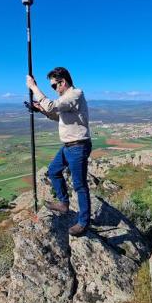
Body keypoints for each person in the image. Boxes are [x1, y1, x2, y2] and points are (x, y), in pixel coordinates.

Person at [25, 67, 92, 236]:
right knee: (53, 171)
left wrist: (34, 87)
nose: (54, 90)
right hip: (69, 146)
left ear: (63, 82)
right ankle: (63, 203)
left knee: (80, 185)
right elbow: (57, 115)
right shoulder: (67, 99)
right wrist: (40, 110)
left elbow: (52, 106)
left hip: (78, 146)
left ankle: (83, 223)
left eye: (54, 86)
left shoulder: (75, 94)